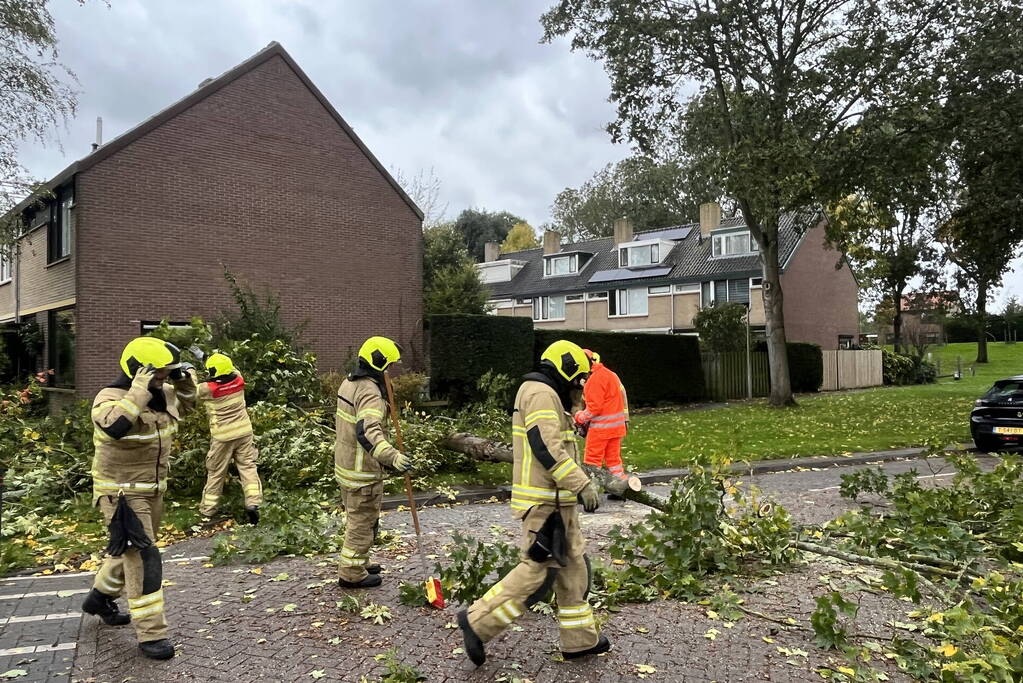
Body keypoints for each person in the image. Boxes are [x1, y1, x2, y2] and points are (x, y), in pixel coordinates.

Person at [458, 340, 610, 666]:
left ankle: (579, 641)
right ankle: (477, 622)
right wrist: (581, 484)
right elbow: (546, 447)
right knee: (536, 573)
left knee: (574, 571)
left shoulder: (549, 394)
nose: (580, 387)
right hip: (545, 504)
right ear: (565, 370)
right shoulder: (541, 393)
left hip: (557, 502)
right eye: (578, 379)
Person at [81, 337, 196, 660]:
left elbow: (187, 405)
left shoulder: (162, 394)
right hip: (121, 494)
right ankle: (152, 634)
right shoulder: (110, 399)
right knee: (144, 558)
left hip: (152, 490)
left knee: (129, 551)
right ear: (138, 371)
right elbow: (115, 427)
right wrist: (140, 390)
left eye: (165, 375)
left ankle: (99, 598)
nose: (163, 380)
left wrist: (183, 380)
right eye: (158, 374)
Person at [334, 336, 413, 588]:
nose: (390, 371)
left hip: (346, 465)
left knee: (361, 518)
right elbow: (368, 431)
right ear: (379, 364)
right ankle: (351, 574)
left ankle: (361, 561)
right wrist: (393, 457)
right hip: (362, 471)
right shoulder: (369, 391)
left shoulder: (349, 382)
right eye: (388, 365)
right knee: (362, 521)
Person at [196, 352, 263, 525]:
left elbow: (188, 391)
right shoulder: (239, 380)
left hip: (223, 437)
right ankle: (253, 503)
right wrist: (207, 357)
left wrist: (189, 370)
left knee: (216, 472)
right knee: (248, 467)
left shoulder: (207, 389)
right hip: (244, 433)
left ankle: (207, 511)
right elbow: (229, 369)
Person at [575, 349, 631, 482]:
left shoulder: (594, 379)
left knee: (592, 461)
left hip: (600, 429)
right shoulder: (610, 374)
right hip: (616, 428)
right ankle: (619, 486)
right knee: (614, 461)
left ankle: (591, 489)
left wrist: (579, 417)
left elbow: (595, 408)